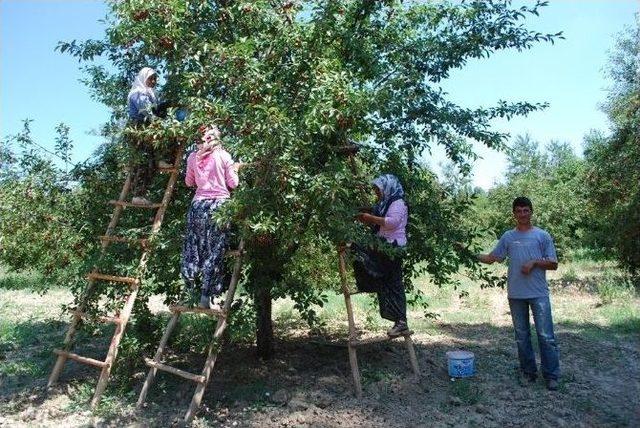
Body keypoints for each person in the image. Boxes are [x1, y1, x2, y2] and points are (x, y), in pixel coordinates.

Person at [478, 196, 560, 391]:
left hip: (539, 293)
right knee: (522, 336)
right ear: (514, 214)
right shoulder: (508, 237)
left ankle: (551, 375)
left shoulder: (542, 235)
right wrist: (467, 252)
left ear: (531, 212)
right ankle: (528, 372)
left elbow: (553, 263)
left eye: (526, 210)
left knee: (545, 335)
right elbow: (491, 258)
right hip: (516, 294)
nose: (522, 214)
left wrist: (534, 262)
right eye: (519, 211)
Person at [181, 125, 241, 310]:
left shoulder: (193, 157)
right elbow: (234, 183)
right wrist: (236, 168)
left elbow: (189, 182)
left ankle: (189, 292)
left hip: (197, 206)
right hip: (218, 207)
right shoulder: (224, 155)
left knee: (194, 247)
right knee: (214, 250)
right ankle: (206, 297)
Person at [354, 174, 409, 337]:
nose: (376, 193)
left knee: (394, 283)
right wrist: (365, 214)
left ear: (387, 188)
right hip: (382, 247)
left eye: (378, 190)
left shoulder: (398, 202)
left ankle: (401, 321)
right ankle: (370, 285)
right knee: (360, 254)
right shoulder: (385, 202)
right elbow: (378, 214)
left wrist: (370, 218)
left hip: (393, 249)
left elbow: (392, 222)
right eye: (375, 190)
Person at [127, 67, 172, 205]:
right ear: (143, 78)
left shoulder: (151, 94)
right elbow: (147, 111)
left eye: (155, 79)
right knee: (143, 160)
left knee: (150, 161)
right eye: (150, 78)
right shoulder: (138, 93)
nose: (153, 81)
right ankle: (137, 195)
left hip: (149, 128)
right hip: (139, 129)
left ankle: (161, 159)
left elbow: (155, 111)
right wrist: (163, 124)